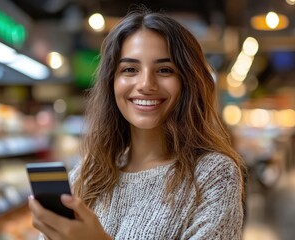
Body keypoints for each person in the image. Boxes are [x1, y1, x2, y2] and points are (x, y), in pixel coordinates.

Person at [28, 7, 246, 240]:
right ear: (112, 81)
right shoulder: (85, 176)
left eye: (164, 70)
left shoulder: (214, 175)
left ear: (187, 82)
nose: (145, 84)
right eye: (130, 69)